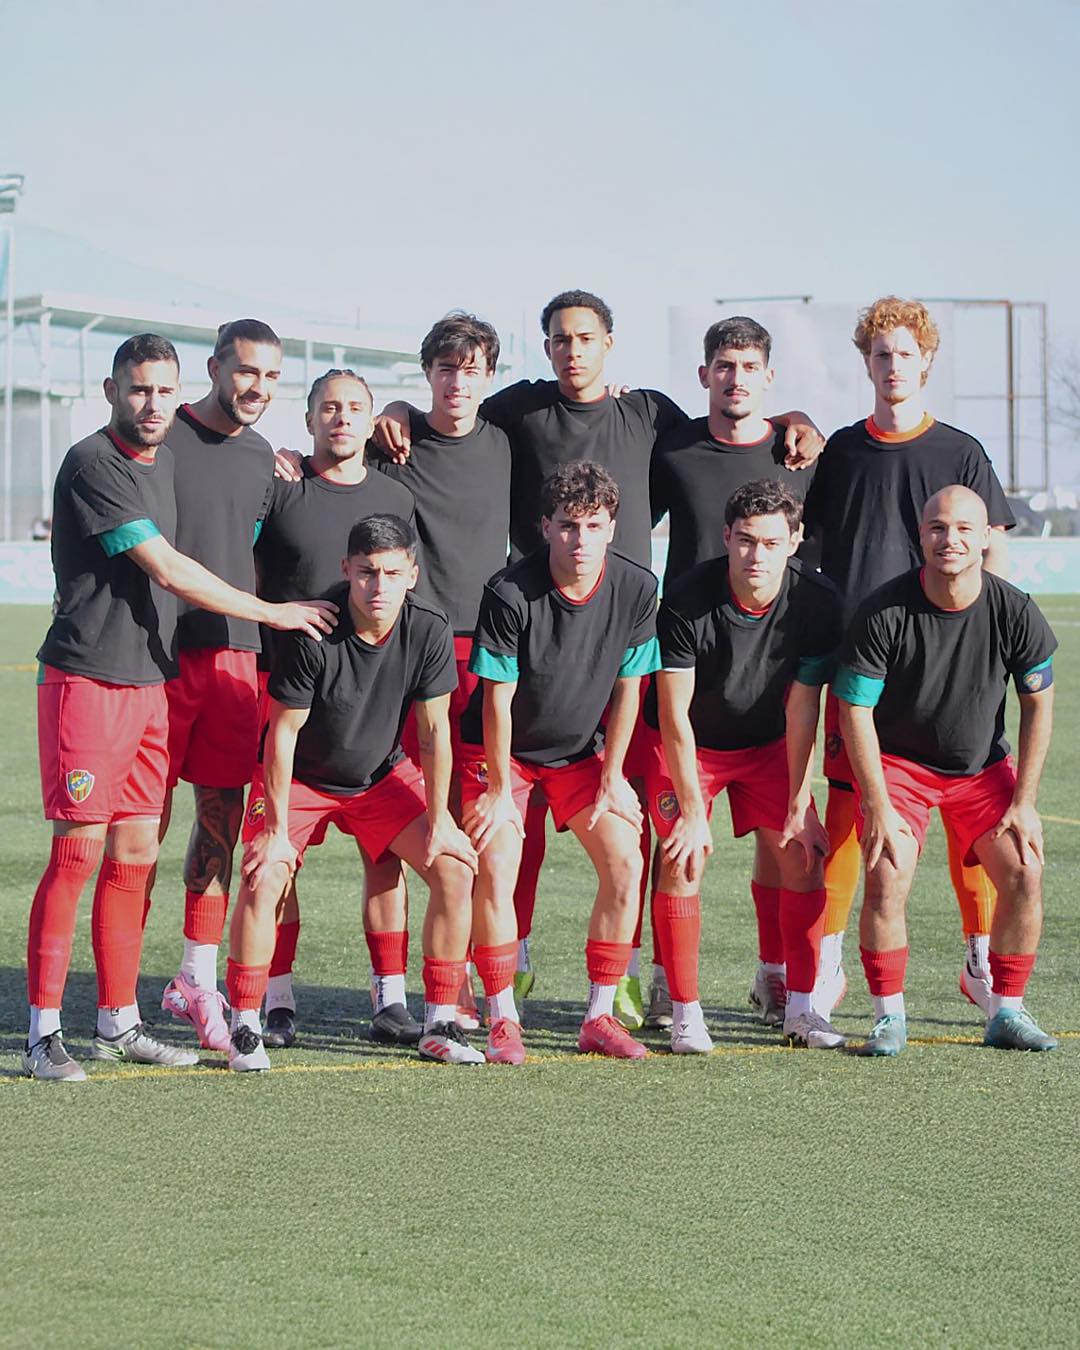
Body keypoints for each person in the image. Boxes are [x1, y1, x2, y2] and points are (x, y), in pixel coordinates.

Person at [376, 291, 825, 1027]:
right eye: (559, 338)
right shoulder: (519, 409)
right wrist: (395, 405)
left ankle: (632, 976)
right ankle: (504, 966)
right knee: (502, 824)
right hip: (536, 629)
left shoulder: (648, 414)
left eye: (586, 338)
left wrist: (796, 422)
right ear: (546, 346)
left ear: (610, 344)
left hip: (628, 637)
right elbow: (449, 408)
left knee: (634, 822)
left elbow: (731, 427)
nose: (573, 350)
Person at [24, 334, 334, 1081]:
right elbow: (168, 568)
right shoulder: (96, 462)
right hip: (88, 680)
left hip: (149, 682)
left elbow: (237, 517)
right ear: (110, 391)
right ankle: (41, 1033)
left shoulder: (170, 460)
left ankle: (119, 1021)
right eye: (139, 390)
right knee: (77, 854)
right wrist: (275, 612)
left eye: (162, 392)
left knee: (135, 857)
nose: (153, 404)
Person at [802, 297, 1014, 1021]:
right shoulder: (842, 451)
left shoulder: (959, 452)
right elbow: (816, 548)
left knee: (968, 811)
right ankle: (827, 959)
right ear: (867, 363)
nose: (893, 365)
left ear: (927, 361)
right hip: (859, 663)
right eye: (881, 354)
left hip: (947, 663)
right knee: (850, 811)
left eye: (906, 354)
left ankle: (980, 957)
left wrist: (988, 634)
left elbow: (995, 551)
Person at [227, 513, 480, 1071]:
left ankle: (439, 1022)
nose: (379, 586)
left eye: (392, 572)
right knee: (263, 873)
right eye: (367, 572)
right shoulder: (315, 628)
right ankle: (244, 1023)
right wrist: (273, 832)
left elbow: (436, 732)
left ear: (412, 573)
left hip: (379, 776)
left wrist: (440, 820)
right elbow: (283, 733)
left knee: (455, 867)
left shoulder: (430, 628)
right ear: (346, 570)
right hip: (300, 778)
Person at [835, 486, 1057, 1055]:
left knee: (1025, 872)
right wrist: (878, 803)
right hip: (901, 769)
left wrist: (1024, 802)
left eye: (963, 528)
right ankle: (889, 1017)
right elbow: (854, 710)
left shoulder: (1015, 610)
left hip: (980, 770)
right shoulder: (883, 610)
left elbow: (1039, 704)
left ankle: (1006, 1009)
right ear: (920, 536)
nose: (949, 539)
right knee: (886, 871)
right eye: (937, 527)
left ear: (986, 538)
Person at [458, 461, 660, 1063]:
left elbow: (630, 687)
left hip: (580, 755)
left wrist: (615, 774)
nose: (580, 540)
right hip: (503, 756)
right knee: (497, 864)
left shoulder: (639, 588)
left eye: (593, 525)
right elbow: (497, 698)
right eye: (568, 526)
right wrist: (497, 789)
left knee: (626, 860)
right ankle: (502, 1017)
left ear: (612, 528)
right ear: (545, 526)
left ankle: (599, 1016)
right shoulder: (507, 591)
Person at [645, 480, 842, 1051]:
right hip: (690, 744)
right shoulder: (684, 596)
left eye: (772, 543)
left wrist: (801, 801)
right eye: (747, 541)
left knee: (804, 854)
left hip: (767, 744)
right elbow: (673, 714)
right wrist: (690, 808)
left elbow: (805, 707)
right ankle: (684, 1012)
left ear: (795, 542)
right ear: (727, 537)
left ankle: (802, 1011)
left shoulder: (818, 600)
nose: (758, 556)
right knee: (683, 857)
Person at [254, 369, 416, 1047]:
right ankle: (277, 998)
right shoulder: (280, 484)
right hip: (286, 693)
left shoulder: (395, 494)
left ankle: (391, 998)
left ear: (372, 419)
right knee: (280, 855)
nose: (341, 418)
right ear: (309, 419)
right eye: (329, 408)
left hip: (373, 702)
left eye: (354, 408)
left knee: (387, 858)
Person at [157, 319, 282, 1055]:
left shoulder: (266, 455)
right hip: (156, 658)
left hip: (234, 657)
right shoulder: (160, 438)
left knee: (218, 824)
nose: (256, 388)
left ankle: (193, 979)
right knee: (131, 833)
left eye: (269, 376)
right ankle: (115, 1001)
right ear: (214, 368)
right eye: (244, 372)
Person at [650, 316, 817, 591]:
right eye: (725, 366)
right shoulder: (672, 451)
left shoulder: (800, 454)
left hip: (776, 629)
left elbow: (818, 549)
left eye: (750, 367)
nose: (737, 379)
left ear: (768, 377)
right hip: (687, 625)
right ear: (704, 376)